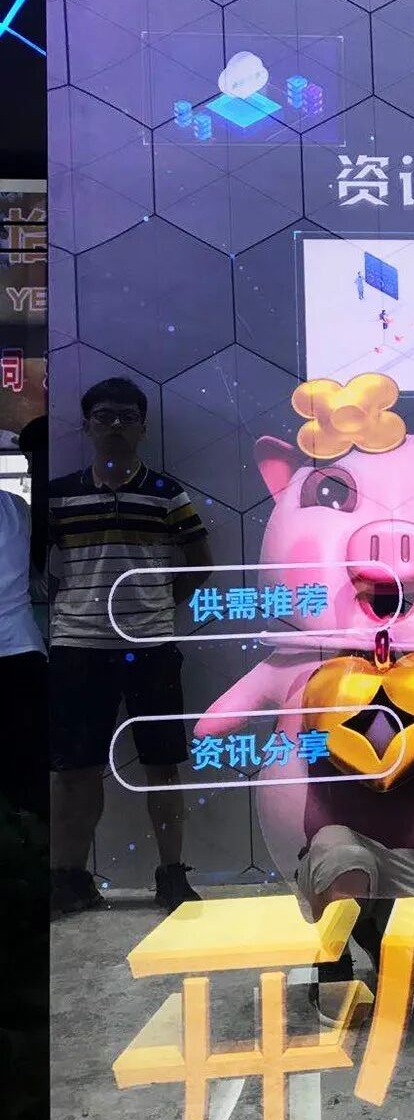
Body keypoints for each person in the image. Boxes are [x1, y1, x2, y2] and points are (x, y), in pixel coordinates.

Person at [48, 378, 213, 916]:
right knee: (74, 770)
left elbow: (201, 564)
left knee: (163, 765)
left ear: (143, 427)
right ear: (86, 425)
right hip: (77, 647)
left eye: (126, 416)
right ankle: (68, 878)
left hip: (150, 647)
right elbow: (35, 569)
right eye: (103, 416)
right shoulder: (58, 495)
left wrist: (158, 608)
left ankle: (171, 875)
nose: (115, 425)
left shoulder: (167, 494)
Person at [0, 424, 47, 820]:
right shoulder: (17, 508)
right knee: (26, 771)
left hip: (20, 650)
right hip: (24, 649)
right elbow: (38, 578)